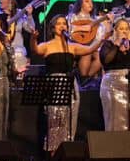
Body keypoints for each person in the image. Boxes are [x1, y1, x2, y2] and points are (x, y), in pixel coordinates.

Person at [30, 15, 100, 153]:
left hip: (70, 85)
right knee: (55, 119)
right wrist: (33, 38)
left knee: (70, 118)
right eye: (59, 23)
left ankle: (67, 150)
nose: (62, 26)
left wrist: (102, 37)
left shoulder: (72, 46)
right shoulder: (47, 46)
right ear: (53, 27)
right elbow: (36, 50)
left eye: (64, 24)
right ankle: (52, 152)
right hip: (54, 84)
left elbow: (90, 49)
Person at [98, 18, 130, 132]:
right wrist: (116, 46)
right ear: (115, 30)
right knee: (115, 120)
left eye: (126, 28)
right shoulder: (108, 44)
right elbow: (105, 60)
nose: (124, 31)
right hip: (113, 85)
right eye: (121, 28)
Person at [67, 0, 107, 90]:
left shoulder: (95, 19)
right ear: (80, 4)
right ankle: (83, 78)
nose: (90, 4)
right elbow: (70, 33)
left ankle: (84, 79)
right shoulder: (72, 17)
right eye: (87, 1)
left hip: (91, 47)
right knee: (87, 52)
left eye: (91, 2)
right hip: (74, 47)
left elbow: (99, 38)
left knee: (101, 56)